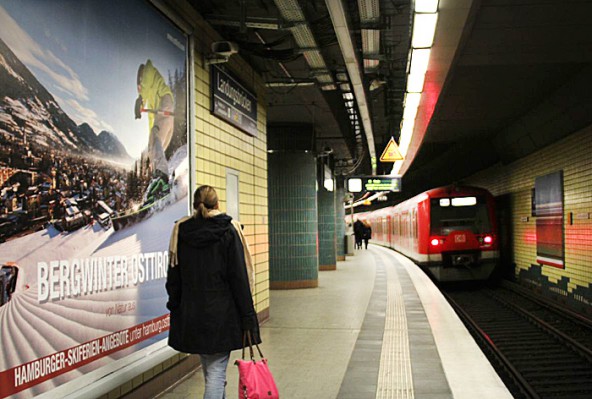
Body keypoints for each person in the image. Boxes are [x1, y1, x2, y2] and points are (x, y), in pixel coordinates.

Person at [166, 185, 260, 399]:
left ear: (194, 205)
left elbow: (174, 275)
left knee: (211, 370)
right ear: (217, 204)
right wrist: (247, 315)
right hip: (222, 314)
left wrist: (176, 305)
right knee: (216, 373)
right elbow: (239, 277)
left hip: (192, 313)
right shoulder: (228, 231)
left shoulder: (181, 231)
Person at [134, 59, 175, 184]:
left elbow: (145, 85)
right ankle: (161, 179)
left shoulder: (148, 71)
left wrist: (140, 98)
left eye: (139, 87)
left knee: (155, 140)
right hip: (166, 112)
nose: (140, 89)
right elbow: (152, 124)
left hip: (165, 102)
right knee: (156, 146)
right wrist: (150, 143)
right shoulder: (152, 100)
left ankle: (162, 175)